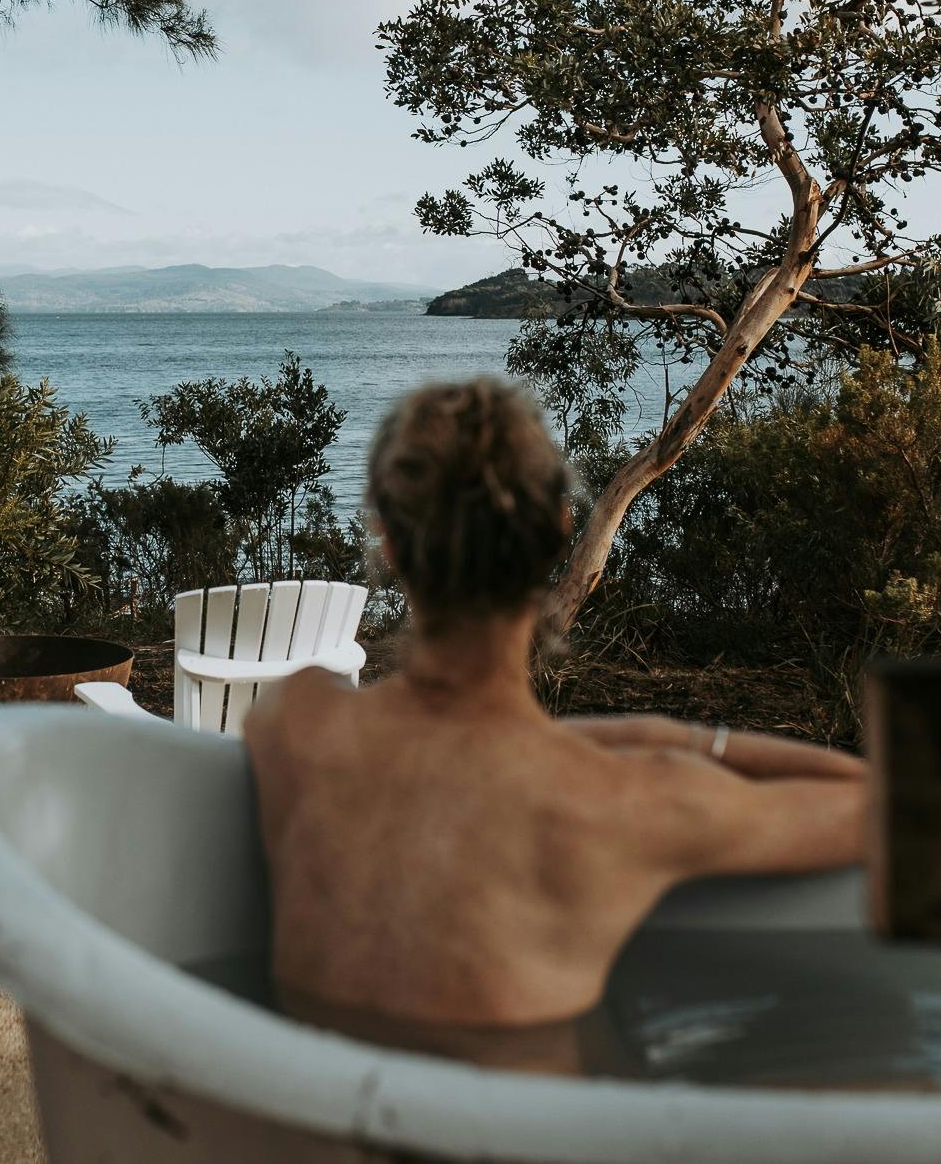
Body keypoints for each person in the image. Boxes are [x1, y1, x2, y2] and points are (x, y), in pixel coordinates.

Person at [243, 378, 865, 1071]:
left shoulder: (293, 722)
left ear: (388, 539)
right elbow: (879, 804)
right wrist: (677, 738)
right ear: (559, 530)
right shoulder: (629, 800)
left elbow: (459, 756)